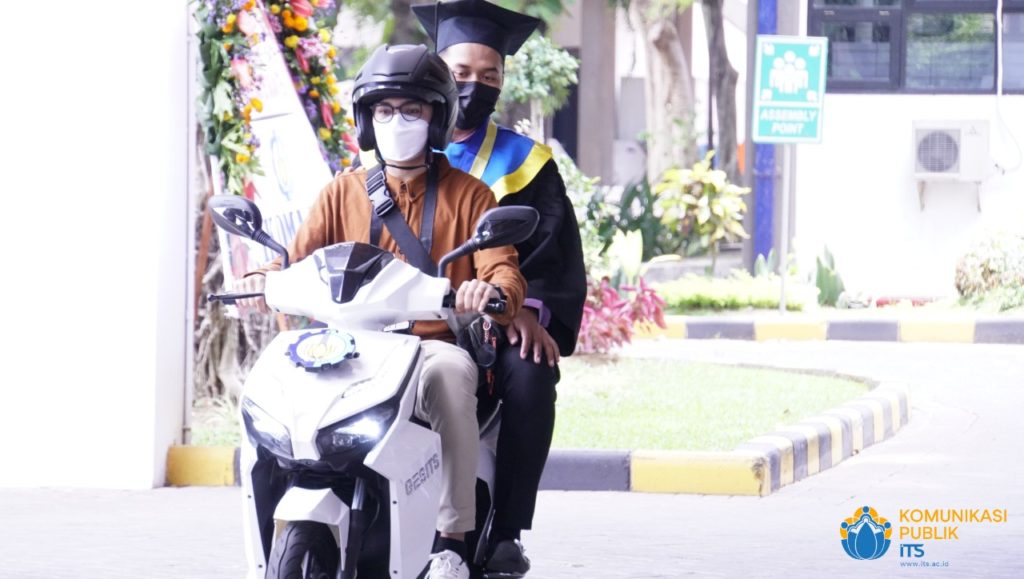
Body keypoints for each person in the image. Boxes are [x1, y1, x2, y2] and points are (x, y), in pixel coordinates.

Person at [233, 43, 527, 579]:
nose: (397, 121)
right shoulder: (341, 191)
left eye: (411, 109)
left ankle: (451, 541)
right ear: (367, 120)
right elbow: (294, 261)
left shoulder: (471, 196)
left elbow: (501, 268)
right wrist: (261, 280)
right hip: (345, 347)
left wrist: (488, 293)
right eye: (384, 110)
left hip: (429, 346)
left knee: (451, 376)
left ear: (438, 116)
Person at [409, 2, 588, 576]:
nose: (474, 87)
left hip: (495, 316)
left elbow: (552, 251)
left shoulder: (523, 163)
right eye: (461, 73)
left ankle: (506, 530)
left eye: (490, 77)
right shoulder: (396, 147)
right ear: (436, 72)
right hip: (402, 313)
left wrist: (527, 307)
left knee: (534, 373)